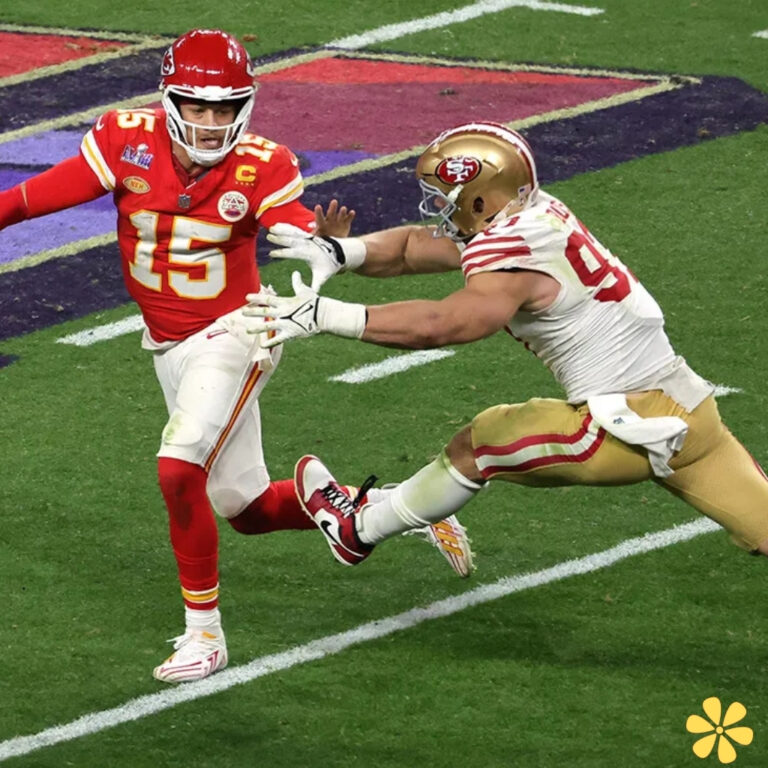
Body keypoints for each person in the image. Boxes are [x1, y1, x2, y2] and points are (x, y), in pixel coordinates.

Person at [0, 30, 473, 684]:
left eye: (226, 108)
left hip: (237, 330)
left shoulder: (261, 163)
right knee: (244, 508)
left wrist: (320, 239)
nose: (213, 121)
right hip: (170, 344)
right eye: (199, 107)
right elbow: (32, 197)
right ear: (172, 101)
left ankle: (205, 637)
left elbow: (291, 219)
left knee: (177, 464)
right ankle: (389, 508)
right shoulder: (123, 139)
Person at [242, 120, 768, 569]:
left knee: (480, 442)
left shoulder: (512, 248)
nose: (437, 211)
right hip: (693, 414)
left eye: (444, 198)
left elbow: (446, 324)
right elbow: (409, 248)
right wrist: (344, 251)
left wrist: (324, 314)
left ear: (478, 197)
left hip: (619, 426)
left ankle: (358, 530)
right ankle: (387, 509)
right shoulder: (532, 214)